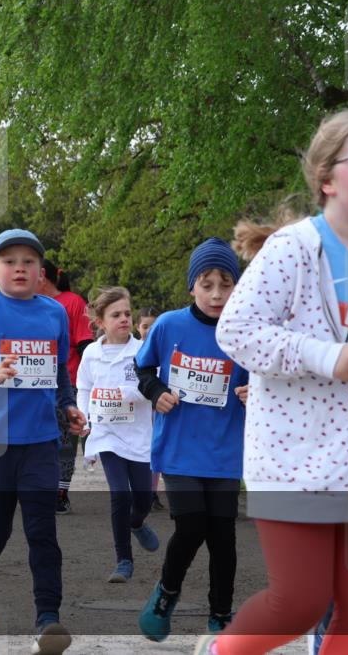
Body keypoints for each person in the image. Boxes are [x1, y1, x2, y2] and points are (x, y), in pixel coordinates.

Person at [198, 110, 348, 655]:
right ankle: (219, 651)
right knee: (300, 603)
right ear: (327, 178)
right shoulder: (295, 248)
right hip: (295, 461)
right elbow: (237, 331)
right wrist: (321, 354)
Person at [0, 229, 85, 655]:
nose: (20, 267)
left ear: (42, 273)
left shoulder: (54, 314)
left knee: (43, 532)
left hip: (42, 441)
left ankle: (47, 620)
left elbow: (59, 370)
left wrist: (69, 405)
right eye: (9, 261)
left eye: (28, 261)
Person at [134, 237, 249, 642]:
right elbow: (142, 367)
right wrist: (155, 391)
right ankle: (166, 593)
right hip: (179, 449)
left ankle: (220, 613)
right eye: (207, 284)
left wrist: (257, 394)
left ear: (238, 287)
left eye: (226, 284)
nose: (217, 294)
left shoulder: (245, 333)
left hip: (224, 452)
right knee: (191, 525)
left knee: (223, 537)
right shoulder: (168, 325)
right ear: (191, 287)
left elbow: (267, 382)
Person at [76, 286, 158, 583]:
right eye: (116, 315)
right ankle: (123, 559)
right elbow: (84, 387)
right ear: (100, 321)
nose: (124, 319)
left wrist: (125, 394)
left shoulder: (142, 351)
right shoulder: (91, 353)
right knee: (119, 493)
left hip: (138, 435)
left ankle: (137, 524)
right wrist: (83, 415)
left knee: (144, 498)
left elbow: (151, 386)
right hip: (106, 434)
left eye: (127, 313)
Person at [38, 258, 95, 514]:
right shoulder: (27, 305)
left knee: (64, 442)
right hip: (34, 384)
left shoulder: (72, 302)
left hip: (67, 381)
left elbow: (85, 344)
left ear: (43, 276)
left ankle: (60, 493)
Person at [135, 306, 165, 511]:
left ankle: (152, 493)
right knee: (139, 451)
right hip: (136, 409)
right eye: (145, 326)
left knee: (154, 449)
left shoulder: (164, 350)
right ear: (138, 328)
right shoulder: (132, 349)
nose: (148, 330)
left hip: (156, 407)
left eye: (152, 326)